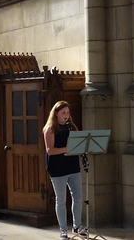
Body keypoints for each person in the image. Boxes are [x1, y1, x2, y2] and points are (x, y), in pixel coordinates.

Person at [43, 101, 86, 239]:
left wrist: (80, 147)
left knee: (78, 197)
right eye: (63, 113)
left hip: (73, 165)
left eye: (67, 113)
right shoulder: (50, 128)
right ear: (56, 114)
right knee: (60, 200)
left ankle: (77, 226)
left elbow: (78, 143)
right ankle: (63, 230)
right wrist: (67, 149)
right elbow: (50, 151)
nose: (66, 116)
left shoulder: (72, 127)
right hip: (57, 167)